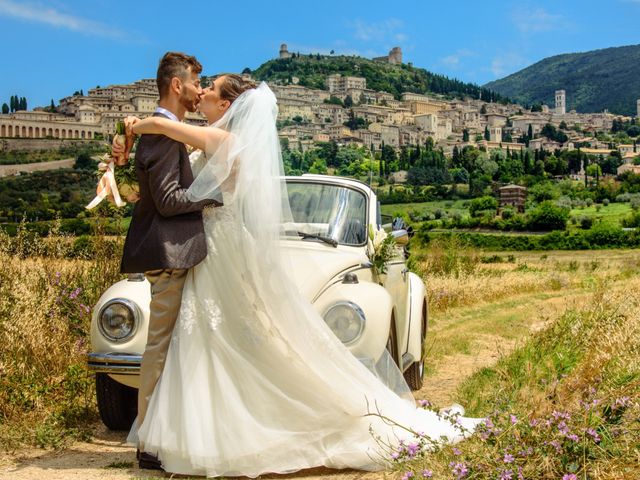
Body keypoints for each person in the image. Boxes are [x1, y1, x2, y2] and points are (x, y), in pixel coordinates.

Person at [124, 75, 482, 477]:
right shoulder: (212, 136)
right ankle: (201, 425)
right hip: (211, 249)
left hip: (219, 248)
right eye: (201, 85)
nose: (203, 91)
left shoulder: (226, 142)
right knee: (209, 339)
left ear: (227, 106)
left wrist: (142, 124)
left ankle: (241, 425)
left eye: (211, 88)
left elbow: (168, 129)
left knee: (228, 336)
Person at [118, 51, 218, 470]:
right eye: (196, 82)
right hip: (168, 252)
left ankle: (166, 432)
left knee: (171, 344)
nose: (199, 89)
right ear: (177, 85)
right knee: (159, 344)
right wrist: (216, 201)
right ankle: (149, 444)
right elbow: (167, 200)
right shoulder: (161, 134)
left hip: (175, 251)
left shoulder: (167, 129)